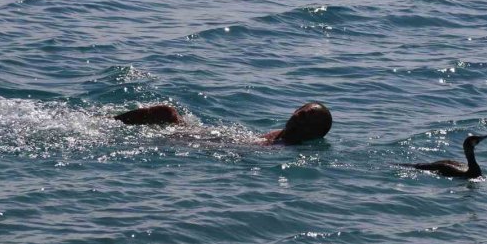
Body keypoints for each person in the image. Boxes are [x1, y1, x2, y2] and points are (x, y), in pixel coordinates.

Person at [114, 101, 332, 145]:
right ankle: (106, 123)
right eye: (301, 112)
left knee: (166, 113)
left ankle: (105, 126)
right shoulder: (284, 134)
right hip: (220, 137)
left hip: (219, 143)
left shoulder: (286, 143)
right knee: (166, 113)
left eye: (305, 119)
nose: (298, 117)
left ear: (313, 132)